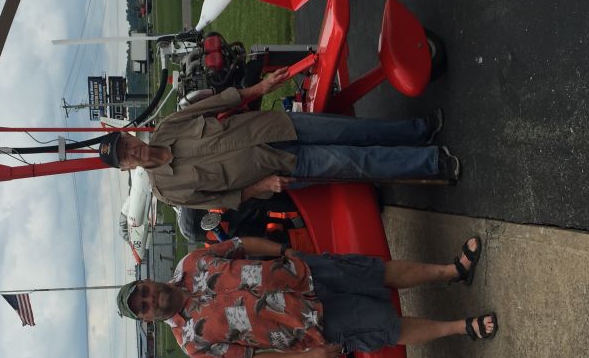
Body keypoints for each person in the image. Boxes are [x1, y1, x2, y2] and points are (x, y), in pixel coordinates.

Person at [116, 236, 497, 358]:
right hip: (307, 326)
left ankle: (452, 271)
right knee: (385, 326)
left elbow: (239, 245)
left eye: (143, 291)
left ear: (147, 281)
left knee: (375, 272)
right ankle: (460, 328)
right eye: (143, 306)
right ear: (148, 318)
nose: (149, 299)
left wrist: (284, 250)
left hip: (304, 273)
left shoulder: (190, 263)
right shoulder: (191, 343)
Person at [97, 68, 460, 210]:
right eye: (125, 156)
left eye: (125, 143)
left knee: (354, 130)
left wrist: (262, 86)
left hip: (277, 125)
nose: (132, 150)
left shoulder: (166, 128)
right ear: (126, 168)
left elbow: (222, 102)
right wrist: (264, 185)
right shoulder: (168, 192)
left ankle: (418, 130)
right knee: (355, 162)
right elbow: (226, 198)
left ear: (129, 135)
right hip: (278, 167)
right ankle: (432, 162)